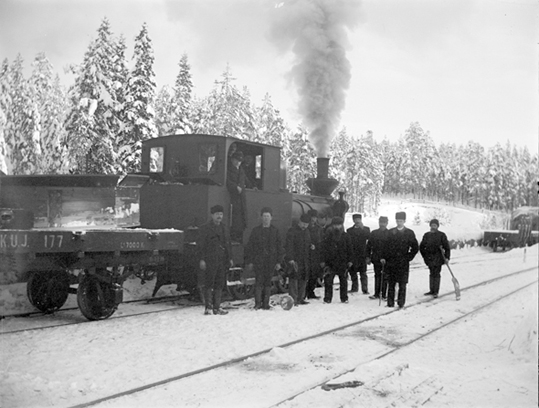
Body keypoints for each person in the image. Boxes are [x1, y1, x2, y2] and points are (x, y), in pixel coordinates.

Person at [244, 207, 284, 310]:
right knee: (259, 282)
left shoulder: (275, 231)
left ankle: (266, 303)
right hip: (259, 261)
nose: (266, 218)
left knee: (267, 282)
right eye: (264, 216)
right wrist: (250, 261)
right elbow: (250, 247)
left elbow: (279, 247)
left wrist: (279, 261)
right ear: (261, 217)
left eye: (268, 216)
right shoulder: (255, 231)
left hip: (270, 261)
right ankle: (257, 303)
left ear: (271, 218)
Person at [197, 205, 233, 315]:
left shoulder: (225, 228)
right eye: (217, 214)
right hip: (210, 259)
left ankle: (217, 307)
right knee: (209, 283)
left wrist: (230, 258)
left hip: (222, 260)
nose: (219, 216)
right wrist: (202, 259)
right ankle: (208, 307)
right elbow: (200, 245)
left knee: (220, 283)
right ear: (212, 215)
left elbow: (228, 244)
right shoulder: (205, 228)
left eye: (221, 214)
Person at [380, 212, 418, 309]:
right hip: (391, 261)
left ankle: (401, 302)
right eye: (397, 221)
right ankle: (390, 302)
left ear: (404, 221)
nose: (399, 223)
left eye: (401, 221)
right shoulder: (391, 232)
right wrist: (384, 257)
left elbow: (415, 247)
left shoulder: (409, 233)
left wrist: (409, 257)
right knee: (391, 283)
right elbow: (385, 246)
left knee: (402, 283)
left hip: (403, 261)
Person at [321, 216, 353, 304]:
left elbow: (350, 248)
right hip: (330, 262)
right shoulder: (328, 236)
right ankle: (327, 298)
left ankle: (344, 297)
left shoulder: (346, 236)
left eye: (339, 225)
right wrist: (323, 260)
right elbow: (324, 249)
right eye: (335, 225)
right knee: (328, 281)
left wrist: (350, 260)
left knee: (343, 281)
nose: (337, 227)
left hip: (342, 261)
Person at [284, 213, 312, 306]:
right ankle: (293, 299)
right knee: (294, 280)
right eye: (303, 224)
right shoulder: (292, 231)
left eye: (306, 224)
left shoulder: (307, 231)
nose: (305, 226)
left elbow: (307, 243)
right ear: (299, 222)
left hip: (304, 259)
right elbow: (289, 246)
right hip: (295, 259)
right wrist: (290, 258)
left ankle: (301, 298)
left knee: (303, 279)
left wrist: (311, 246)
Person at [419, 219, 451, 298]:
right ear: (430, 226)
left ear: (437, 226)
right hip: (429, 258)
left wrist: (447, 257)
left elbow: (447, 247)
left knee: (436, 274)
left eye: (435, 225)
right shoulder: (426, 235)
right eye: (432, 225)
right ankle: (431, 290)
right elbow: (422, 247)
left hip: (438, 258)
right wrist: (424, 256)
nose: (433, 227)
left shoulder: (441, 235)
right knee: (431, 273)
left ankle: (436, 291)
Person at [366, 216, 390, 300]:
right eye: (381, 222)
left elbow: (391, 247)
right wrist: (368, 256)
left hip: (386, 259)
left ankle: (383, 294)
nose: (382, 224)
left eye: (384, 222)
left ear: (387, 223)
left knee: (385, 276)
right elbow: (369, 246)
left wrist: (385, 257)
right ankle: (376, 293)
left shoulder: (390, 233)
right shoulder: (374, 233)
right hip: (376, 258)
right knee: (377, 276)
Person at [346, 213, 371, 294]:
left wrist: (362, 228)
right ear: (353, 220)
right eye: (355, 219)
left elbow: (369, 238)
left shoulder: (366, 229)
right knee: (353, 272)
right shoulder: (349, 230)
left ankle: (365, 289)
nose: (357, 221)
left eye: (358, 219)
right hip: (353, 254)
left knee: (363, 272)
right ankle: (354, 287)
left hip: (362, 254)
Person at [226, 150, 247, 242]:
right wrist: (235, 187)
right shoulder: (228, 169)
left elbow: (245, 179)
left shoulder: (241, 170)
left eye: (240, 161)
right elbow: (226, 180)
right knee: (234, 216)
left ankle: (238, 235)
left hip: (241, 197)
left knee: (241, 216)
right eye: (237, 160)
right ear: (232, 159)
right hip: (232, 196)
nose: (238, 162)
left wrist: (253, 185)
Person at [306, 209, 323, 299]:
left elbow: (321, 241)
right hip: (306, 254)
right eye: (312, 217)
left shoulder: (319, 229)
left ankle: (311, 291)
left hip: (316, 254)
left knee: (314, 274)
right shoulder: (305, 228)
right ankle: (304, 292)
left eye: (315, 217)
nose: (313, 219)